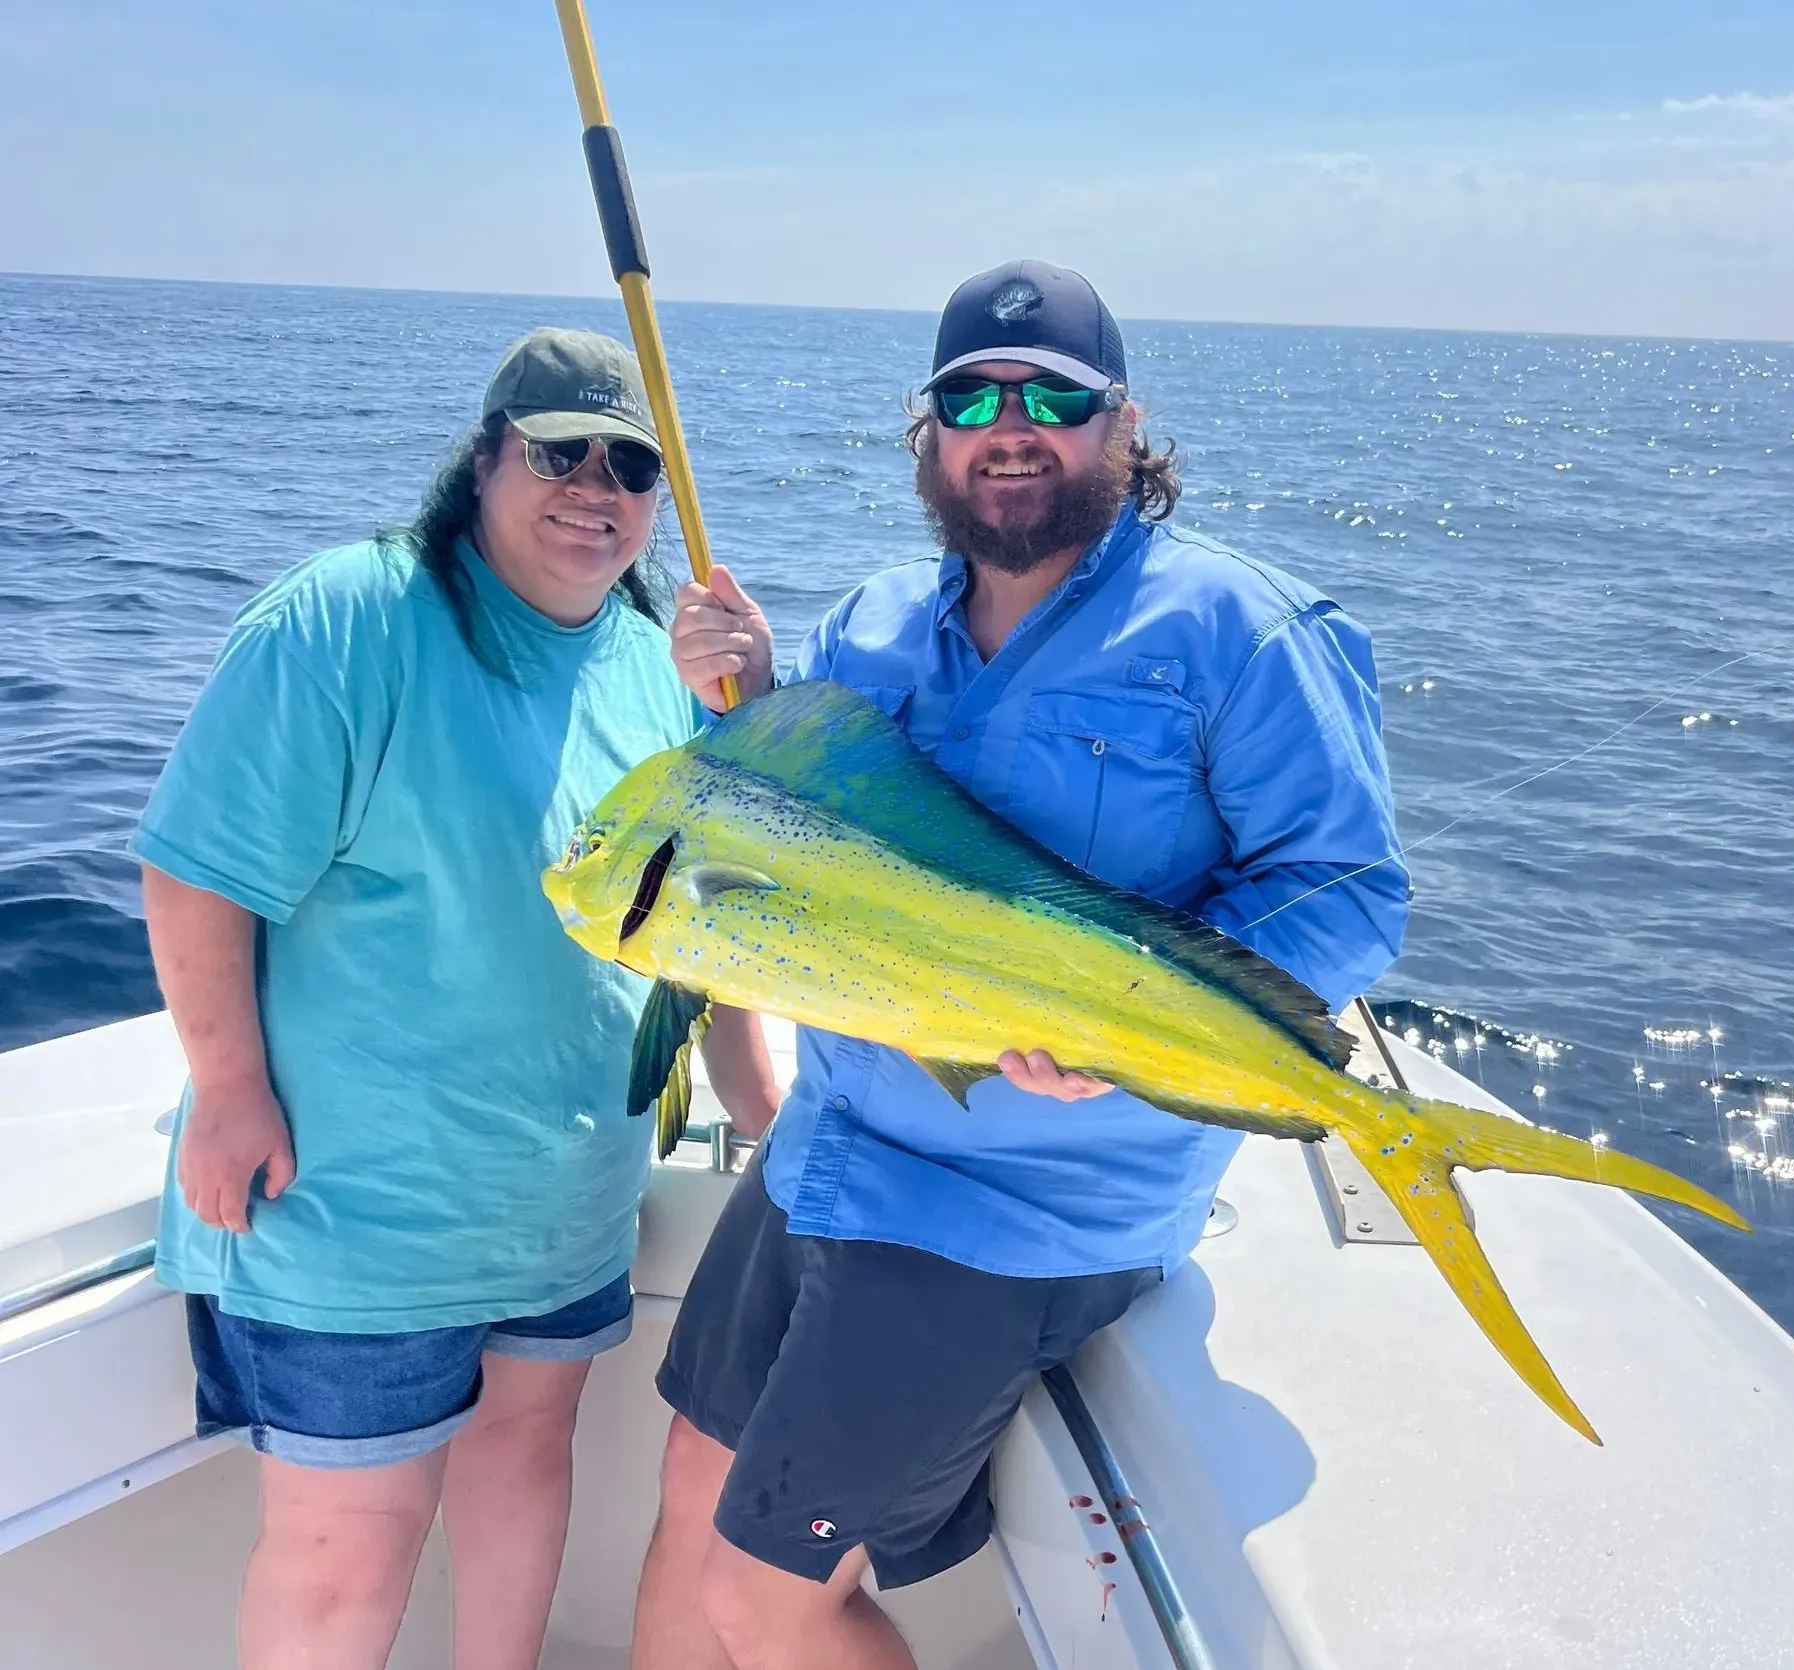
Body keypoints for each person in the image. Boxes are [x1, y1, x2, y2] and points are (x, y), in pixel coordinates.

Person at [637, 261, 1409, 1670]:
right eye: (973, 396)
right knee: (684, 1495)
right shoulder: (864, 628)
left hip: (1018, 1207)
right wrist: (751, 694)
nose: (1013, 425)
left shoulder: (1243, 632)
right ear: (928, 431)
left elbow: (1347, 896)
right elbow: (824, 843)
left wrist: (1116, 1023)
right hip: (833, 1143)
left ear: (1126, 426)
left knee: (762, 1596)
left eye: (1056, 396)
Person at [134, 328, 780, 1670]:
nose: (596, 485)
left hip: (559, 1200)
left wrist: (757, 1095)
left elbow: (701, 917)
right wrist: (232, 1091)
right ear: (485, 457)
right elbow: (197, 872)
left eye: (633, 464)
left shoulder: (665, 664)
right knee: (344, 1544)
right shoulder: (347, 617)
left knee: (524, 1471)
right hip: (347, 1208)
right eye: (560, 451)